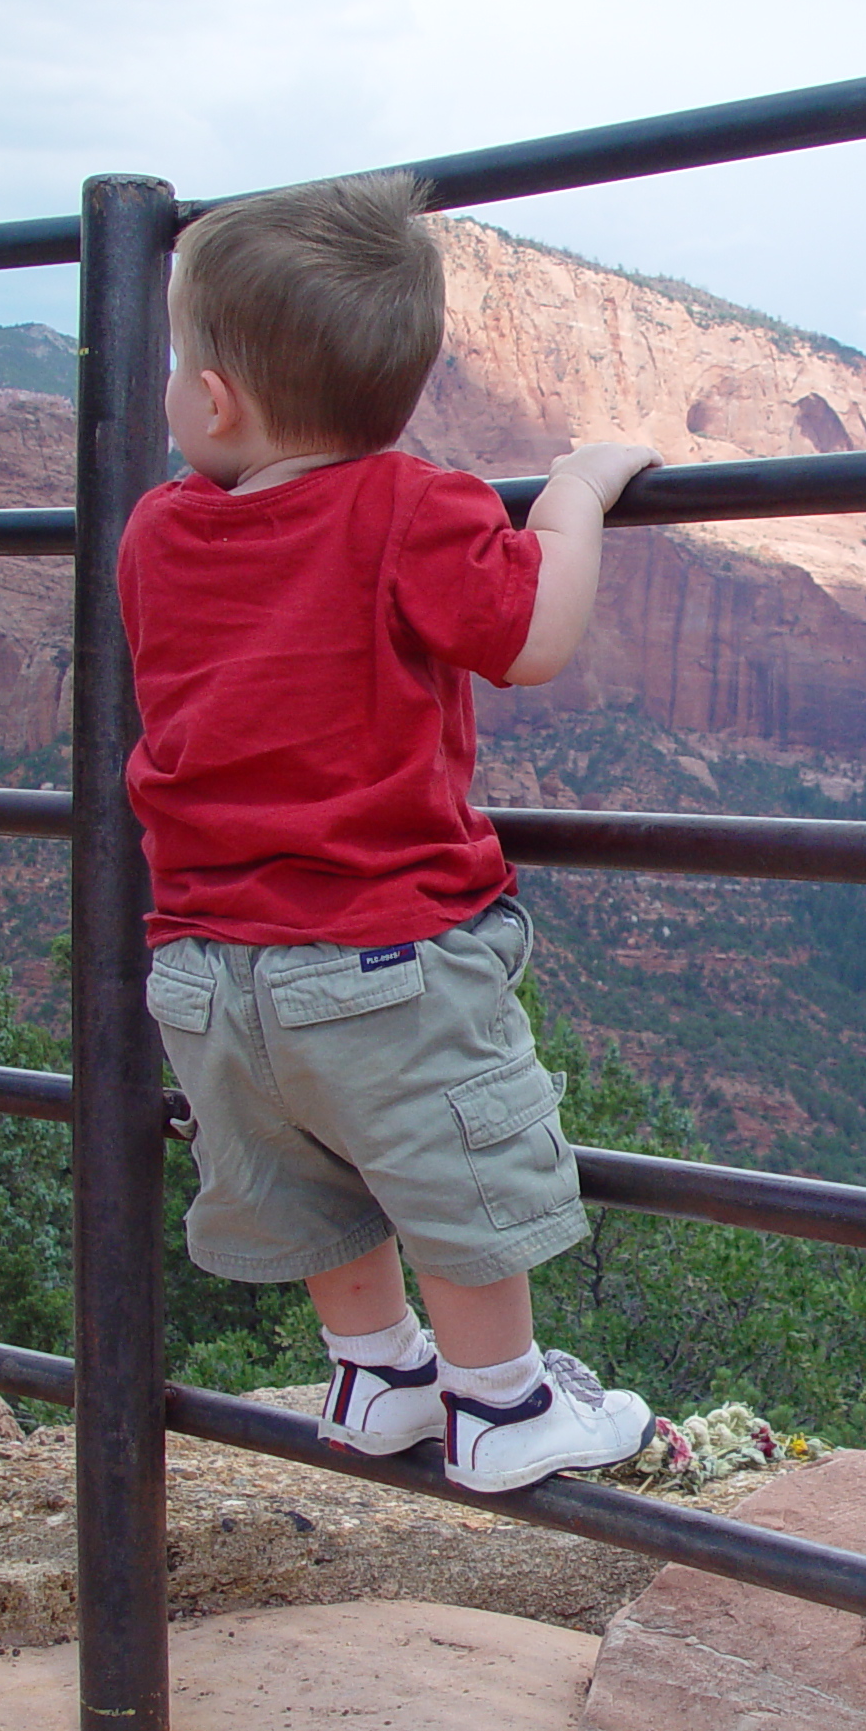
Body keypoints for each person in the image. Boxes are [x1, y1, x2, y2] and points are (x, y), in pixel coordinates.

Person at [118, 169, 662, 1492]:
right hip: (380, 955)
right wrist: (575, 500)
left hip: (203, 969)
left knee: (303, 1178)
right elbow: (527, 641)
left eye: (183, 362)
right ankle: (505, 1406)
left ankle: (376, 1376)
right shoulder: (412, 506)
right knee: (457, 1176)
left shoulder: (153, 529)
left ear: (221, 402)